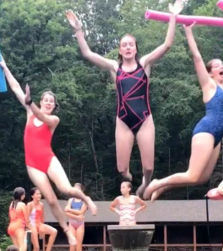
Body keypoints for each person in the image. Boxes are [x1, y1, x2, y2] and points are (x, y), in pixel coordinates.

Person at [66, 0, 185, 197]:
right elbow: (87, 53)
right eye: (124, 45)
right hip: (123, 121)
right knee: (122, 170)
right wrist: (79, 30)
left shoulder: (144, 63)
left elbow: (167, 45)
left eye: (131, 44)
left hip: (144, 119)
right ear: (120, 50)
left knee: (148, 168)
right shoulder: (115, 68)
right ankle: (130, 178)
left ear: (136, 49)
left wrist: (173, 17)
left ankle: (146, 183)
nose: (128, 47)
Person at [143, 24, 223, 201]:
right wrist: (188, 31)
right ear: (210, 73)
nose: (221, 67)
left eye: (222, 65)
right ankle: (156, 182)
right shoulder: (209, 86)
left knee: (201, 178)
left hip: (217, 137)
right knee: (192, 175)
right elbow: (197, 58)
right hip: (206, 130)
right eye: (216, 66)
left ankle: (162, 187)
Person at [0, 59, 98, 247]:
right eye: (46, 100)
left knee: (66, 189)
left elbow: (41, 116)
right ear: (41, 101)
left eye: (52, 101)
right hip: (32, 164)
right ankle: (67, 231)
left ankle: (87, 199)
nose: (49, 103)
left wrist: (30, 103)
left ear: (54, 106)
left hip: (48, 159)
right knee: (51, 200)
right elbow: (16, 87)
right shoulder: (30, 111)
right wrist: (5, 67)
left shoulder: (53, 119)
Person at [110, 181, 147, 251]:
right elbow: (111, 206)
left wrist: (136, 211)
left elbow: (144, 204)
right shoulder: (119, 198)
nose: (121, 189)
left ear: (129, 189)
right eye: (121, 187)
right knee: (123, 244)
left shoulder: (134, 198)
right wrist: (118, 212)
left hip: (131, 221)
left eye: (123, 187)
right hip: (122, 221)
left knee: (132, 244)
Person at [26, 187, 58, 251]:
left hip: (39, 224)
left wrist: (42, 231)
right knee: (36, 247)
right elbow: (26, 219)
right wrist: (30, 228)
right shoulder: (29, 205)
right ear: (32, 196)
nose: (39, 195)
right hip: (31, 224)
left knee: (54, 231)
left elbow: (42, 218)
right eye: (37, 194)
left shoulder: (41, 204)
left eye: (40, 194)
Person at [64, 183, 88, 251]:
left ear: (81, 191)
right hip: (71, 224)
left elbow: (81, 212)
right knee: (72, 246)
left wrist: (70, 210)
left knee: (78, 246)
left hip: (80, 225)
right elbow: (66, 212)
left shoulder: (84, 201)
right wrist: (76, 216)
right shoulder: (71, 200)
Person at [7, 187, 28, 251]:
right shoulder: (22, 204)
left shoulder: (11, 204)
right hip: (19, 227)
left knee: (16, 249)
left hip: (11, 227)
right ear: (22, 195)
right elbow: (26, 219)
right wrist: (28, 228)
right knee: (22, 248)